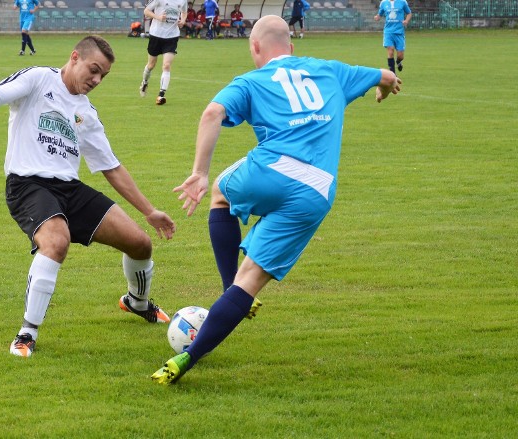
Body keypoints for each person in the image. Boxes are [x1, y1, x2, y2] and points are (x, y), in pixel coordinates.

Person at [151, 15, 401, 384]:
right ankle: (185, 360)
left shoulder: (252, 80)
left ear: (255, 47)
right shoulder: (331, 70)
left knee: (220, 190)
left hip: (271, 171)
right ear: (292, 47)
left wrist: (200, 172)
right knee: (249, 280)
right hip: (316, 191)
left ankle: (226, 290)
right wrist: (384, 85)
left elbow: (212, 113)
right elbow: (385, 74)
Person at [0, 36, 177, 358]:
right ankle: (27, 332)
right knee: (56, 242)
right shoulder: (38, 79)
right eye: (93, 70)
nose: (97, 80)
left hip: (69, 190)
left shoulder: (86, 112)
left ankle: (137, 302)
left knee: (140, 243)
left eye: (103, 75)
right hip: (27, 185)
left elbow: (111, 167)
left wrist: (150, 210)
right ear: (74, 57)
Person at [139, 0, 188, 105]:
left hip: (172, 36)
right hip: (156, 35)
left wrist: (183, 21)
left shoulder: (183, 1)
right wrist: (158, 17)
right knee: (151, 65)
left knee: (166, 65)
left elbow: (184, 12)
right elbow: (146, 11)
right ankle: (144, 82)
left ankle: (161, 95)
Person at [374, 0, 412, 74]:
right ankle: (392, 74)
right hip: (388, 31)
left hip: (399, 32)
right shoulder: (383, 3)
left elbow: (409, 13)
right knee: (390, 51)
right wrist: (377, 17)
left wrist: (406, 21)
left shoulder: (402, 2)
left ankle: (398, 61)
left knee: (400, 56)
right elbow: (380, 14)